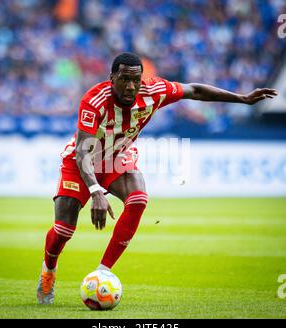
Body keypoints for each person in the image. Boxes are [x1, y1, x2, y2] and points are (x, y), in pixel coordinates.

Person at [36, 52, 277, 304]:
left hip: (118, 159)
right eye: (124, 79)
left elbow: (194, 90)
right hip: (82, 161)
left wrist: (242, 98)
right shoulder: (94, 100)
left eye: (136, 80)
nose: (131, 86)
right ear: (112, 78)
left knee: (138, 198)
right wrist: (95, 190)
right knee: (64, 230)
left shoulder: (154, 90)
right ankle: (48, 271)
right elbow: (82, 149)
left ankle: (103, 272)